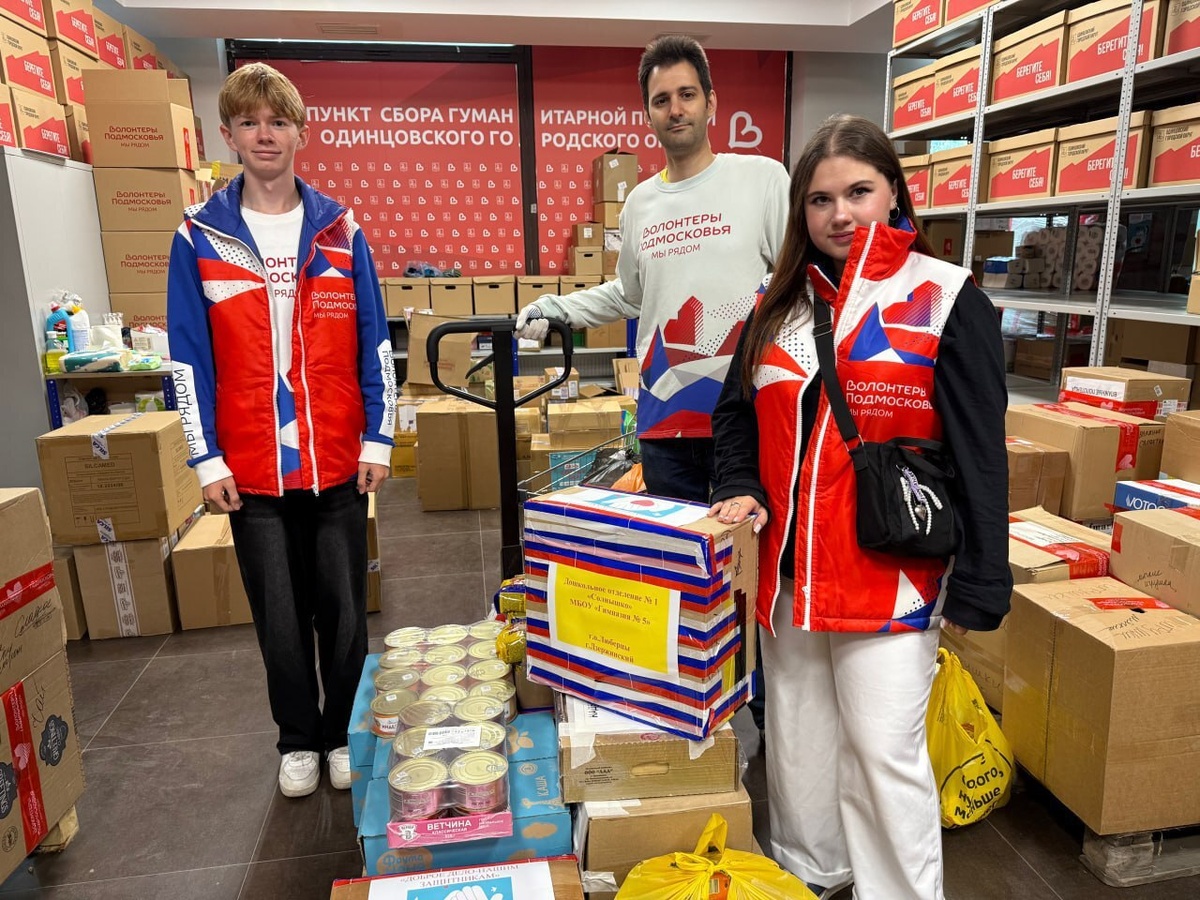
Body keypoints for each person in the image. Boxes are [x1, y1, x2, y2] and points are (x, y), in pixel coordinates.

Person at [708, 114, 1011, 900]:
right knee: (799, 748)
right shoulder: (775, 307)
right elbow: (735, 414)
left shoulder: (945, 298)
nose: (839, 213)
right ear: (800, 213)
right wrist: (738, 484)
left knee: (883, 755)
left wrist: (984, 578)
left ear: (894, 193)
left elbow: (981, 449)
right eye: (820, 199)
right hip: (789, 578)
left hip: (891, 577)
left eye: (858, 192)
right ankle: (810, 876)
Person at [167, 63, 396, 799]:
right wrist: (205, 458)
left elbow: (374, 342)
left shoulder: (341, 230)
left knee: (345, 613)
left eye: (278, 121)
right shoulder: (198, 236)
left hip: (335, 457)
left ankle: (345, 733)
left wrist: (379, 437)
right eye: (250, 122)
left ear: (301, 132)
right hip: (250, 464)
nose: (265, 135)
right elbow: (186, 358)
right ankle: (298, 737)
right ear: (229, 136)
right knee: (279, 617)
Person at [516, 34, 789, 504]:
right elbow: (628, 294)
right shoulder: (639, 204)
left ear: (711, 103)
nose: (675, 110)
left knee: (748, 544)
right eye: (661, 100)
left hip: (744, 417)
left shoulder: (762, 179)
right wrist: (556, 307)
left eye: (687, 95)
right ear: (648, 114)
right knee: (674, 545)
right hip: (664, 417)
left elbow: (795, 282)